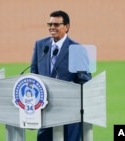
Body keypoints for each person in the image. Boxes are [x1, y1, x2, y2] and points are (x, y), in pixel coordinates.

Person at [30, 10, 92, 141]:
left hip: (69, 111)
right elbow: (34, 74)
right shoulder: (40, 45)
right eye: (49, 24)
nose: (52, 27)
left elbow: (85, 81)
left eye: (56, 24)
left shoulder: (77, 49)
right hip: (45, 109)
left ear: (67, 27)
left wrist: (68, 91)